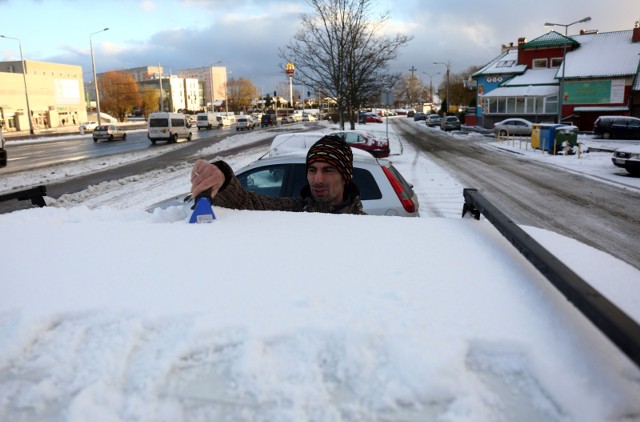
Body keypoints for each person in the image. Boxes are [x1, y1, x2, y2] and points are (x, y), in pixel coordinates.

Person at [190, 135, 366, 215]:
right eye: (312, 170)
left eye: (328, 170)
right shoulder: (291, 210)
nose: (317, 180)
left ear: (346, 176)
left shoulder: (368, 228)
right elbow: (245, 201)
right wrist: (223, 176)